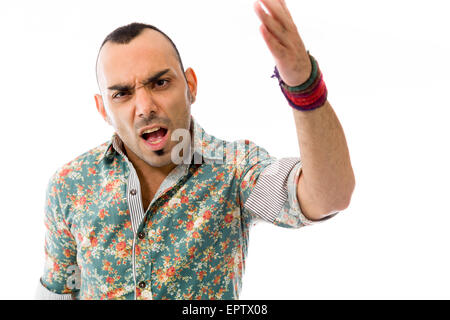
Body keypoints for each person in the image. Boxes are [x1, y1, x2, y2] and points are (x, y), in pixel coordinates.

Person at [36, 0, 355, 300]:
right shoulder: (70, 185)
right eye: (122, 93)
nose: (145, 107)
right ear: (102, 108)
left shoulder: (232, 170)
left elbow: (328, 195)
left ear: (190, 85)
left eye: (160, 83)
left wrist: (303, 84)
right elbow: (58, 290)